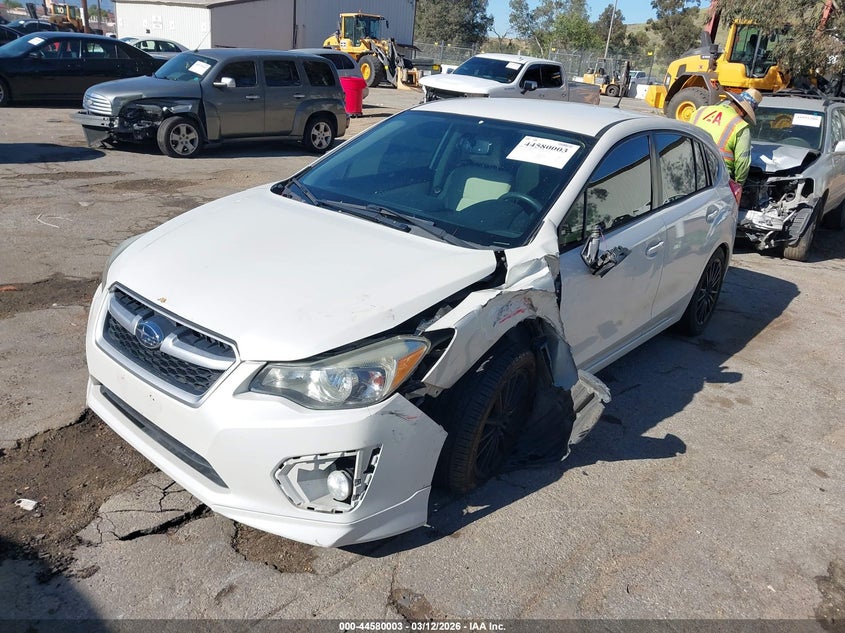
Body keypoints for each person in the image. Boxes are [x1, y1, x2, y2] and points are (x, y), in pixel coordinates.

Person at [691, 89, 763, 187]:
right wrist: (738, 185)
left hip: (689, 167)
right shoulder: (740, 126)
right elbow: (742, 162)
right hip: (717, 177)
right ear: (743, 111)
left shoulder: (701, 111)